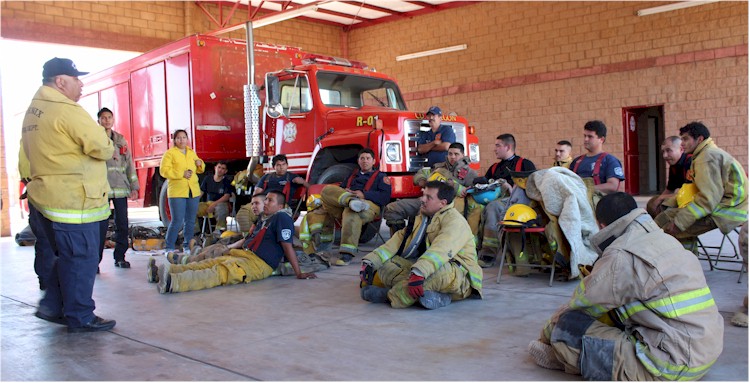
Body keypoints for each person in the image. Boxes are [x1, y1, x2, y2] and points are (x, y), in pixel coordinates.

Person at [528, 192, 723, 380]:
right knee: (616, 311)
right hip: (706, 352)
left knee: (566, 328)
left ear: (601, 225)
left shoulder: (622, 254)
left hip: (667, 366)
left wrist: (548, 334)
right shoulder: (664, 239)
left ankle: (565, 357)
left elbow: (581, 305)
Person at [23, 57, 116, 332]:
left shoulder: (34, 110)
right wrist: (104, 139)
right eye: (76, 79)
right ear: (60, 82)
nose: (81, 84)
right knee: (81, 258)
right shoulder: (67, 110)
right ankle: (80, 315)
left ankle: (53, 306)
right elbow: (102, 146)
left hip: (45, 199)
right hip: (75, 202)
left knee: (62, 257)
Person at [153, 191, 317, 294]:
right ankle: (166, 271)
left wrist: (298, 273)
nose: (265, 203)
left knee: (217, 273)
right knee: (209, 263)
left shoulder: (282, 218)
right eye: (265, 199)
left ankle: (173, 283)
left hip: (257, 264)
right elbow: (248, 239)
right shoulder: (264, 220)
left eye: (270, 201)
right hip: (243, 255)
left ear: (280, 206)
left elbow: (287, 245)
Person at [359, 181, 482, 309]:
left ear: (443, 203)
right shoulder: (422, 218)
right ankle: (433, 296)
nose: (422, 199)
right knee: (386, 265)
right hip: (429, 267)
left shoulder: (455, 221)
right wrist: (370, 263)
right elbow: (395, 242)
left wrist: (419, 273)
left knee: (432, 275)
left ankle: (389, 297)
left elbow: (440, 251)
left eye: (428, 197)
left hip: (459, 275)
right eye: (423, 195)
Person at [655, 122, 748, 240]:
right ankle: (686, 255)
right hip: (721, 205)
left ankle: (685, 257)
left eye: (685, 139)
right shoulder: (703, 154)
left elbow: (707, 199)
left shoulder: (706, 158)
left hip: (726, 210)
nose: (682, 144)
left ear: (699, 139)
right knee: (663, 218)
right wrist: (667, 202)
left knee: (670, 227)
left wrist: (680, 222)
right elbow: (692, 190)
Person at [307, 148, 391, 266]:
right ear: (358, 161)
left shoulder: (381, 177)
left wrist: (364, 194)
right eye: (362, 158)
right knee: (327, 190)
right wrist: (345, 192)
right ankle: (350, 200)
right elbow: (338, 190)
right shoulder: (352, 175)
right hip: (347, 202)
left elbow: (385, 197)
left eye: (368, 158)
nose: (365, 161)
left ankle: (347, 254)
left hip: (369, 205)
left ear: (373, 161)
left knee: (351, 212)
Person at [383, 142, 479, 236]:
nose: (452, 157)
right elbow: (420, 174)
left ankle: (417, 242)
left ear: (463, 155)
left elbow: (473, 193)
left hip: (447, 207)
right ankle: (400, 242)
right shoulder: (438, 167)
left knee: (421, 214)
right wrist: (422, 181)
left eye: (456, 154)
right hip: (425, 200)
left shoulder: (470, 174)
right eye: (450, 154)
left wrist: (454, 186)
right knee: (392, 209)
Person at [476, 134, 536, 266]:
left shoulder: (525, 164)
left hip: (516, 203)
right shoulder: (494, 168)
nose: (494, 149)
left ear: (508, 147)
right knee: (474, 207)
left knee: (493, 207)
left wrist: (509, 188)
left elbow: (532, 191)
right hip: (495, 200)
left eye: (498, 145)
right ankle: (472, 249)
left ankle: (488, 254)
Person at [97, 107, 139, 269]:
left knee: (122, 224)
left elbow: (129, 163)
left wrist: (134, 186)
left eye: (109, 117)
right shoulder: (96, 139)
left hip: (120, 187)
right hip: (102, 189)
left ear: (113, 120)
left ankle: (120, 257)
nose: (107, 120)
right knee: (100, 226)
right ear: (99, 121)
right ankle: (95, 261)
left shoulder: (120, 139)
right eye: (103, 118)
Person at [159, 129, 205, 254]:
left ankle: (187, 246)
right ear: (174, 140)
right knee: (177, 220)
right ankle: (169, 247)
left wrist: (200, 164)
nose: (182, 140)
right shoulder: (170, 154)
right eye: (179, 138)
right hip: (177, 192)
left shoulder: (191, 152)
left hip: (192, 191)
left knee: (190, 220)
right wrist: (181, 174)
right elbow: (164, 171)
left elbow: (200, 169)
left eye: (184, 137)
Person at [18, 143, 55, 290]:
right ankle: (46, 280)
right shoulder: (34, 134)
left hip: (46, 191)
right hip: (42, 192)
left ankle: (47, 279)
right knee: (45, 238)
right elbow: (25, 168)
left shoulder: (32, 134)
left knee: (46, 239)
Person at [569, 120, 625, 195]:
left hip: (600, 204)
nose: (586, 139)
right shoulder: (576, 161)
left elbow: (613, 186)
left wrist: (586, 189)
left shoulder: (610, 161)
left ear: (601, 139)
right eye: (585, 136)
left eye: (590, 136)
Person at [646, 136, 692, 218]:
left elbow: (690, 193)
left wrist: (661, 198)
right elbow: (670, 189)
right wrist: (652, 205)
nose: (665, 155)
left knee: (665, 203)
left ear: (681, 149)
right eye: (663, 151)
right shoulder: (674, 165)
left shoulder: (690, 162)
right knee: (652, 202)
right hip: (683, 196)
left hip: (695, 200)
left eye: (668, 150)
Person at [197, 161, 233, 232]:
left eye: (223, 168)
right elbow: (201, 192)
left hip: (222, 204)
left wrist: (214, 205)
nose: (220, 170)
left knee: (221, 209)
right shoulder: (207, 179)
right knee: (192, 208)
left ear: (225, 171)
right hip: (208, 204)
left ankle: (219, 233)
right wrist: (192, 202)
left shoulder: (227, 182)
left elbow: (226, 196)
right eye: (219, 167)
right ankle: (193, 231)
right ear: (215, 168)